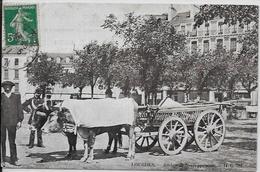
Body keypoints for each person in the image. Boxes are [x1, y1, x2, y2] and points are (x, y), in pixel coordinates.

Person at [1, 81, 24, 166]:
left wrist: (20, 121)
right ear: (3, 87)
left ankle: (14, 159)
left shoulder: (16, 97)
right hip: (2, 123)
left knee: (12, 141)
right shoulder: (1, 96)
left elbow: (20, 109)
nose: (7, 87)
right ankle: (2, 160)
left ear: (11, 87)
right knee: (1, 141)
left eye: (9, 86)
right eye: (5, 86)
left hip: (12, 122)